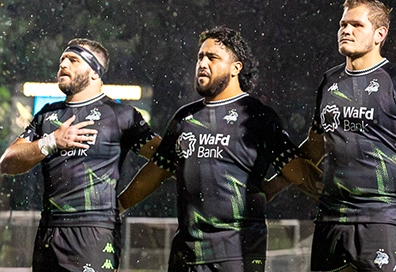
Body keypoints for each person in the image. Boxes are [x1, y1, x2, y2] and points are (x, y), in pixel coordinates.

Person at [118, 26, 320, 272]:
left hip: (238, 254)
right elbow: (156, 170)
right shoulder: (185, 118)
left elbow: (296, 170)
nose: (203, 63)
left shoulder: (257, 116)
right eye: (200, 57)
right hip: (187, 255)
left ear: (236, 68)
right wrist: (117, 207)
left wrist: (342, 200)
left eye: (212, 58)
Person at [283, 0, 396, 271]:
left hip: (383, 221)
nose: (346, 30)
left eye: (357, 25)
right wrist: (272, 172)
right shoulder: (329, 81)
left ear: (380, 34)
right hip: (330, 221)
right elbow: (314, 148)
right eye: (343, 24)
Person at [0, 38, 160, 272]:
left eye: (73, 60)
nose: (63, 64)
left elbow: (165, 161)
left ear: (95, 72)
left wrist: (124, 202)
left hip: (94, 233)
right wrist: (52, 141)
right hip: (49, 232)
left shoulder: (121, 115)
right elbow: (8, 162)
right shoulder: (47, 116)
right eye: (62, 60)